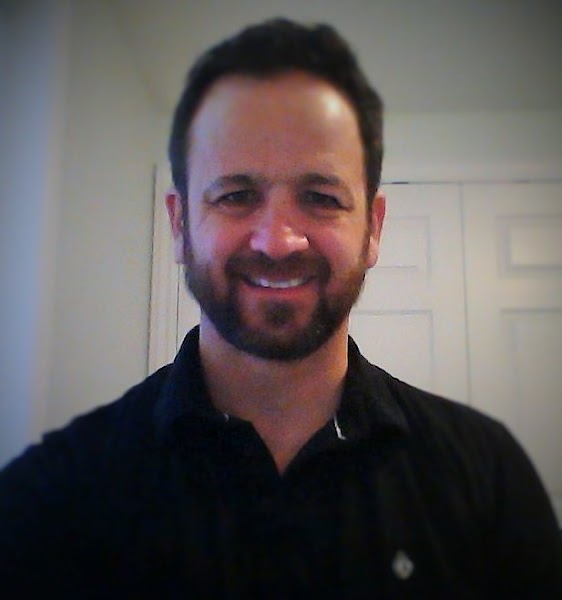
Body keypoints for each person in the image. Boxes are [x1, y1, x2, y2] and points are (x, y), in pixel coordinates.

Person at [0, 18, 560, 599]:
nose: (277, 241)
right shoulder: (52, 495)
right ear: (180, 225)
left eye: (321, 197)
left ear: (373, 229)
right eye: (236, 195)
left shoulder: (486, 474)